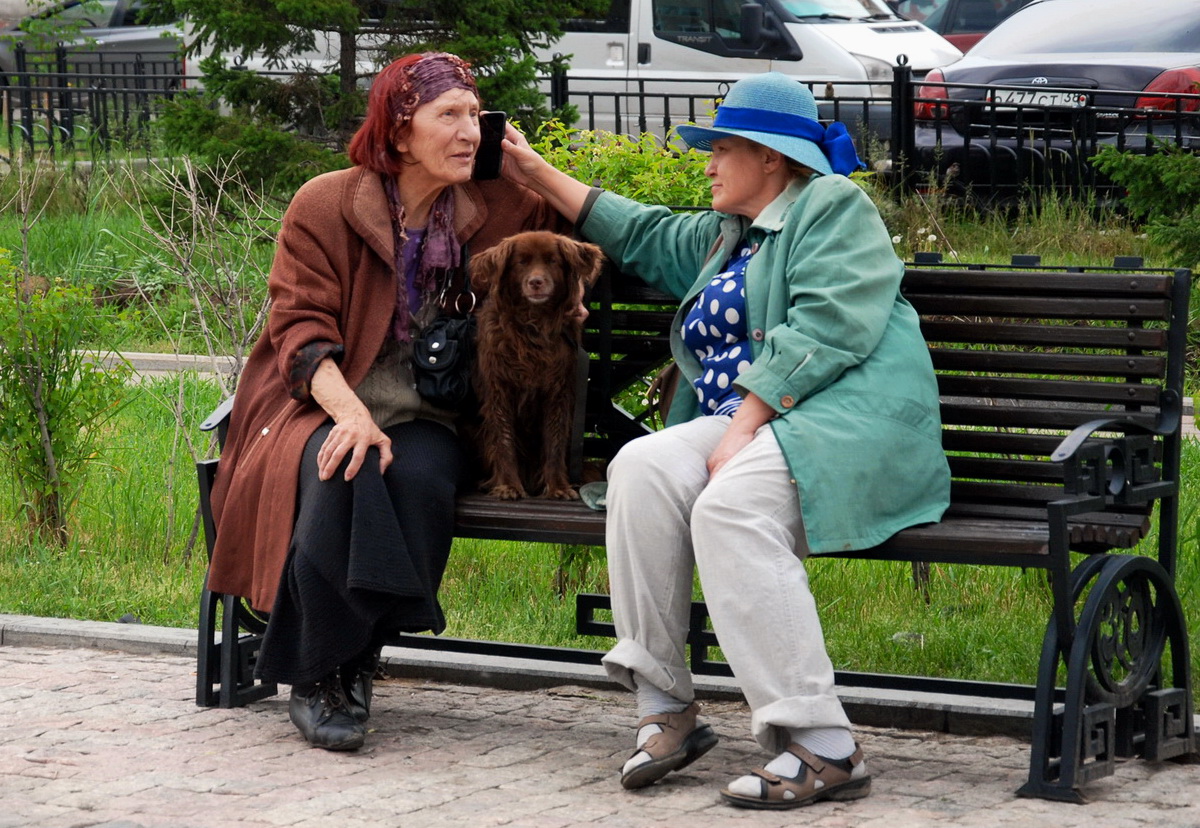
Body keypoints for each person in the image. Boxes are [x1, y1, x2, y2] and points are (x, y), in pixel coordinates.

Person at [501, 72, 951, 809]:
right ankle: (664, 706)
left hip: (845, 423)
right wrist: (530, 168)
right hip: (765, 426)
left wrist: (744, 423)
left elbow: (831, 323)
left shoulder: (832, 207)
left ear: (770, 158)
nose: (706, 162)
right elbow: (639, 230)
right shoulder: (728, 237)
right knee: (641, 464)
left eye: (720, 148)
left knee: (728, 507)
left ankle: (824, 743)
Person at [204, 52, 567, 752]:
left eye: (475, 115)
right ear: (401, 133)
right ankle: (325, 673)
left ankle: (350, 654)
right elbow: (300, 333)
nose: (470, 131)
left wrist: (530, 168)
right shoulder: (325, 203)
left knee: (422, 477)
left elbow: (575, 240)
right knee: (348, 465)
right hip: (315, 403)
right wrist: (351, 413)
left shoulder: (496, 208)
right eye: (449, 116)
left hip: (428, 414)